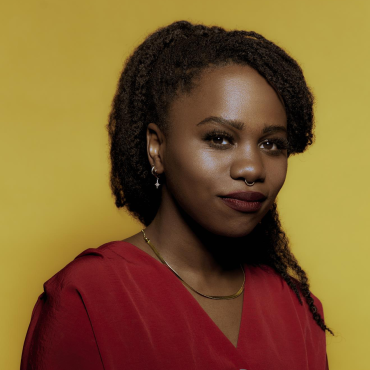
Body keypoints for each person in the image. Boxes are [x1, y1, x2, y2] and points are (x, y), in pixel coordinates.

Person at [21, 20, 332, 370]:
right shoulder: (88, 297)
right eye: (220, 138)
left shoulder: (299, 310)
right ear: (157, 147)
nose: (252, 168)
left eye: (271, 144)